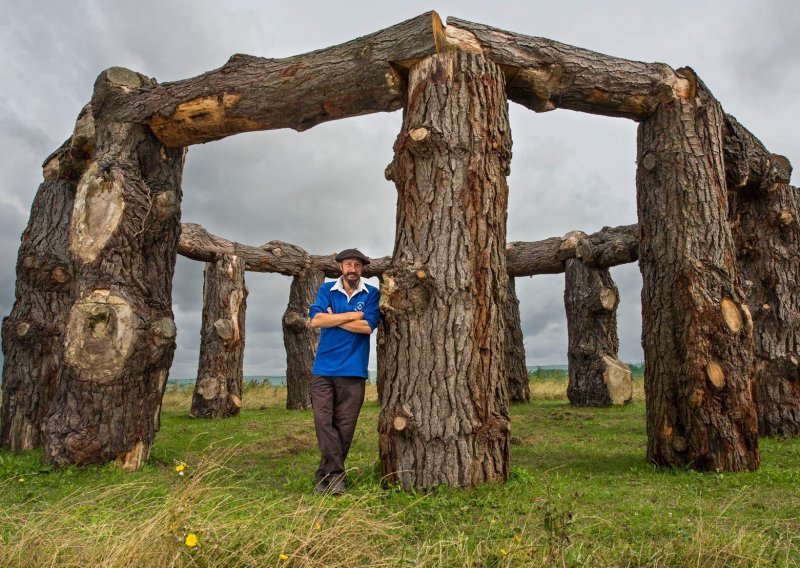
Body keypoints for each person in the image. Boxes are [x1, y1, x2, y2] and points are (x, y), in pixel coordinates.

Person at [308, 248, 380, 495]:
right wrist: (352, 315)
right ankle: (337, 476)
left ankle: (323, 476)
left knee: (345, 427)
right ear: (340, 267)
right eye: (348, 264)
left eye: (357, 265)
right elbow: (316, 320)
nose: (353, 269)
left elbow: (367, 326)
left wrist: (335, 318)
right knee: (323, 422)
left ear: (362, 269)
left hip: (353, 371)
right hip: (323, 370)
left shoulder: (372, 293)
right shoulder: (326, 290)